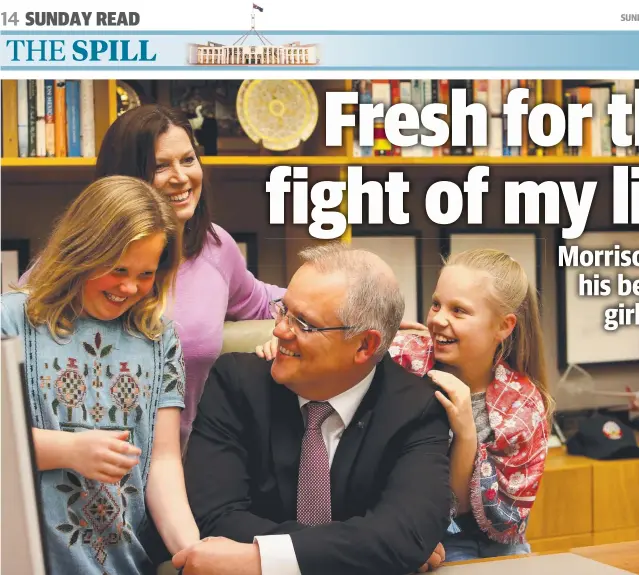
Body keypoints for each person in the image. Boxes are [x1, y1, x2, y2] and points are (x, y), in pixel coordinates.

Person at [175, 243, 452, 575]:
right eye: (283, 310)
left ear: (365, 344)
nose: (278, 330)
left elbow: (407, 532)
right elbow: (215, 517)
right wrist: (377, 553)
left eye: (304, 324)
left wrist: (257, 560)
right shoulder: (235, 384)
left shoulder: (415, 407)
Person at [1, 176, 200, 574]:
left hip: (128, 562)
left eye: (146, 275)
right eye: (118, 269)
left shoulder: (160, 338)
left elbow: (162, 462)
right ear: (83, 251)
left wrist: (192, 552)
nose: (129, 287)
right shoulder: (12, 320)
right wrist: (68, 450)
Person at [94, 104, 286, 448]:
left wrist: (354, 309)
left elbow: (263, 300)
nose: (181, 177)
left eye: (188, 160)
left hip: (187, 465)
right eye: (160, 166)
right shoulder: (86, 255)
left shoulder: (214, 246)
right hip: (95, 466)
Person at [388, 248, 553, 562]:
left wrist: (466, 433)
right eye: (436, 304)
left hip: (497, 541)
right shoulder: (402, 360)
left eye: (458, 310)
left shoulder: (522, 405)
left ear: (504, 326)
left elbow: (480, 515)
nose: (438, 319)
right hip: (422, 535)